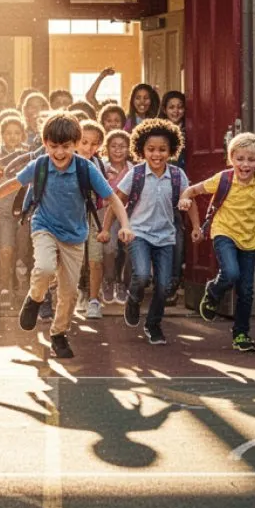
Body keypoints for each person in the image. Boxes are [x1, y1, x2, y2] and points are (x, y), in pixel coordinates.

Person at [0, 112, 134, 359]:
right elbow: (13, 184)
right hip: (44, 225)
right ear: (44, 143)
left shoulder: (85, 168)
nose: (59, 152)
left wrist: (125, 224)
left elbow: (112, 198)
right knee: (45, 268)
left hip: (75, 235)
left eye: (66, 147)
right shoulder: (40, 165)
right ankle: (35, 298)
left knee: (68, 293)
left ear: (76, 144)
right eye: (53, 146)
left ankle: (58, 334)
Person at [184, 132, 255, 353]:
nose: (245, 164)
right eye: (240, 159)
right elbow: (192, 190)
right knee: (231, 273)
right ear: (231, 158)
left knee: (247, 290)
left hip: (250, 238)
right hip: (223, 233)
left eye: (251, 160)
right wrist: (185, 198)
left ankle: (241, 333)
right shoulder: (222, 179)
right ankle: (213, 291)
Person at [104, 118, 198, 346]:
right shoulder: (135, 175)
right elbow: (116, 201)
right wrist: (106, 229)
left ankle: (153, 324)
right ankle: (134, 299)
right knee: (143, 274)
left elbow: (189, 199)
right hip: (139, 234)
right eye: (151, 149)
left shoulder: (177, 176)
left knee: (164, 284)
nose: (157, 155)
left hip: (166, 236)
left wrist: (195, 226)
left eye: (162, 150)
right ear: (141, 150)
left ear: (172, 150)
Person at [0, 110, 30, 294]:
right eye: (8, 133)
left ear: (23, 134)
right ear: (1, 135)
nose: (13, 137)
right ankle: (4, 286)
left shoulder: (30, 155)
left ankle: (22, 284)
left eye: (17, 133)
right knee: (5, 249)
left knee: (23, 251)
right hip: (3, 210)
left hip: (25, 210)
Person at [74, 119, 109, 319]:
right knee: (73, 260)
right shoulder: (67, 160)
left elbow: (105, 193)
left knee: (96, 259)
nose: (88, 147)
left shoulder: (97, 164)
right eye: (84, 142)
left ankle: (94, 300)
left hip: (94, 217)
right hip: (71, 218)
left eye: (94, 144)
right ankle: (73, 295)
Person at [158, 89, 189, 302]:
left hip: (183, 188)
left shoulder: (192, 130)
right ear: (164, 109)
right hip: (160, 187)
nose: (175, 111)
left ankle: (174, 281)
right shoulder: (158, 132)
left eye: (179, 107)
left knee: (178, 233)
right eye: (171, 107)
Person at [100, 128, 133, 304]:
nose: (118, 150)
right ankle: (109, 280)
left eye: (122, 146)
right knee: (109, 248)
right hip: (107, 212)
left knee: (128, 248)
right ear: (107, 148)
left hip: (128, 213)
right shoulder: (102, 168)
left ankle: (123, 283)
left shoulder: (133, 169)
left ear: (129, 149)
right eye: (114, 146)